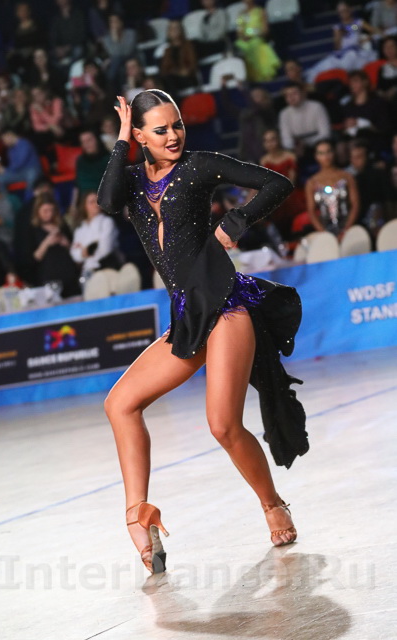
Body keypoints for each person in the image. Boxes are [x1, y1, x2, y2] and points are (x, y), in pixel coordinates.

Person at [97, 90, 309, 575]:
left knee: (222, 425)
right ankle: (138, 516)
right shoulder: (131, 180)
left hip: (227, 307)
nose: (173, 135)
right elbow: (107, 200)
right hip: (187, 316)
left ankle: (272, 503)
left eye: (177, 125)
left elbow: (276, 183)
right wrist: (121, 139)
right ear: (140, 136)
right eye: (160, 130)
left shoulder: (198, 166)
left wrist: (236, 221)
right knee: (119, 404)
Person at [305, 2, 378, 85]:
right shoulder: (337, 27)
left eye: (345, 10)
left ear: (350, 10)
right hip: (342, 54)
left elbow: (369, 30)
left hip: (355, 52)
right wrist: (338, 37)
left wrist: (365, 39)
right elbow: (337, 47)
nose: (343, 14)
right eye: (341, 12)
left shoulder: (357, 23)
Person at [305, 139, 359, 237]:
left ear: (334, 153)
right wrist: (324, 234)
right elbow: (311, 212)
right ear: (316, 156)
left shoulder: (347, 177)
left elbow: (355, 205)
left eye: (328, 151)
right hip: (325, 229)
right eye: (321, 153)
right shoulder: (312, 183)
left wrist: (346, 230)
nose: (326, 156)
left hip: (348, 227)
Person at [29, 194, 80, 298]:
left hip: (68, 275)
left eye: (51, 210)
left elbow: (74, 250)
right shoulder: (33, 229)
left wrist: (66, 243)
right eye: (45, 211)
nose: (49, 214)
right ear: (37, 211)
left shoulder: (62, 226)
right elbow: (34, 258)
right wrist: (47, 242)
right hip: (49, 278)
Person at [260, 129, 304, 238]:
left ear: (279, 140)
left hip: (290, 193)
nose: (270, 144)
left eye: (272, 139)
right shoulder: (264, 161)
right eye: (266, 141)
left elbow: (291, 181)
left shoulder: (290, 156)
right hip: (274, 195)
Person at [71, 190, 120, 278]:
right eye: (91, 202)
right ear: (84, 206)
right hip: (87, 271)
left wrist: (85, 252)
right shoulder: (80, 229)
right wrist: (83, 253)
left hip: (106, 269)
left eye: (98, 201)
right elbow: (74, 254)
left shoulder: (107, 222)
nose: (96, 204)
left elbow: (105, 249)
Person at [279, 82, 331, 161]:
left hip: (318, 144)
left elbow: (325, 133)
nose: (291, 97)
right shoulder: (284, 114)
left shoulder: (317, 107)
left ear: (303, 93)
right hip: (297, 148)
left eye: (294, 93)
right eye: (287, 95)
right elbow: (286, 138)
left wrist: (307, 144)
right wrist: (293, 148)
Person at [235, 0, 281, 82]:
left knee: (254, 45)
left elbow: (265, 30)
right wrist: (243, 36)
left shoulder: (261, 11)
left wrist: (251, 34)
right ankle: (249, 76)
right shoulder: (241, 14)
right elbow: (239, 31)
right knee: (238, 46)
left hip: (258, 38)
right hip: (245, 41)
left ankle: (263, 75)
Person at [0, 129, 42, 197]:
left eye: (4, 140)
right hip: (19, 173)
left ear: (9, 135)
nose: (4, 143)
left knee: (31, 175)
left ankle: (29, 199)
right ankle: (7, 201)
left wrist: (5, 170)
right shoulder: (9, 150)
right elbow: (13, 166)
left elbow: (20, 162)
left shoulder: (24, 143)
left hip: (31, 170)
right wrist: (5, 171)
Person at [159, 20, 199, 99]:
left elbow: (192, 66)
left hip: (187, 78)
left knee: (170, 80)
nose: (174, 31)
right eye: (171, 28)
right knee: (165, 80)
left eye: (176, 28)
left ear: (181, 30)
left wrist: (180, 72)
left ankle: (175, 102)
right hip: (172, 79)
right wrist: (175, 72)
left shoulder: (189, 46)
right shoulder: (167, 51)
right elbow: (164, 70)